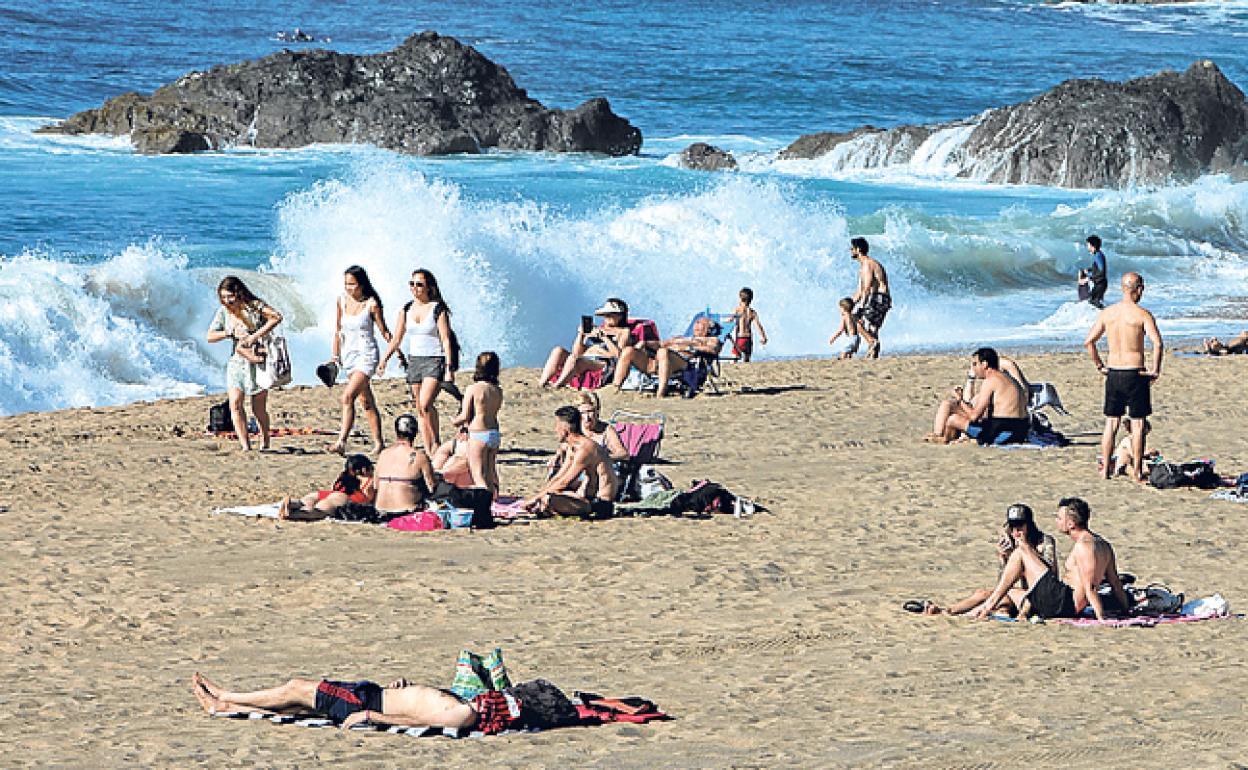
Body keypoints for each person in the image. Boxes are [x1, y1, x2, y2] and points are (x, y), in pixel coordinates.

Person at [975, 497, 1130, 621]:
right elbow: (1115, 582)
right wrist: (1126, 610)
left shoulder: (1084, 546)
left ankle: (987, 608)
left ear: (1070, 524)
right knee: (1012, 591)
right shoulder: (1103, 544)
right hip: (1064, 600)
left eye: (1059, 518)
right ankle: (974, 608)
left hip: (1064, 603)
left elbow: (1090, 587)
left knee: (1022, 550)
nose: (1056, 521)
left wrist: (1101, 617)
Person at [191, 672, 478, 731]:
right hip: (372, 694)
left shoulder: (461, 714)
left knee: (296, 688)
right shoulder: (461, 702)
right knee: (296, 707)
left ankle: (227, 696)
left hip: (364, 703)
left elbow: (416, 720)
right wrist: (404, 687)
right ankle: (226, 706)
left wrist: (370, 717)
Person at [1084, 271, 1163, 481]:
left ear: (1122, 288)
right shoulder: (1142, 314)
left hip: (1114, 372)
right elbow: (1157, 343)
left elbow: (1089, 342)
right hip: (1135, 372)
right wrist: (1155, 369)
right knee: (1137, 424)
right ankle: (1137, 470)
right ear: (1138, 290)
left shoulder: (1108, 313)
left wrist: (1099, 365)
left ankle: (1104, 469)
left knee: (1111, 423)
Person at [916, 504, 1059, 617]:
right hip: (1018, 594)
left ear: (1029, 525)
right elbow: (1002, 584)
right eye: (1012, 527)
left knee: (997, 601)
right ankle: (948, 611)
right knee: (983, 594)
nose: (1016, 532)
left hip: (1037, 597)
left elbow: (1050, 577)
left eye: (1020, 526)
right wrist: (1004, 558)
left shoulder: (1044, 542)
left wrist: (1025, 549)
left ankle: (958, 613)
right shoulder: (1012, 542)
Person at [379, 269, 458, 453]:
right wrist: (384, 359)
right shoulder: (406, 309)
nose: (415, 288)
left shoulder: (437, 309)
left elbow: (446, 339)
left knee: (425, 403)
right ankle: (430, 445)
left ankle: (436, 440)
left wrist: (449, 367)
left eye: (419, 284)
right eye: (412, 284)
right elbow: (396, 338)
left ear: (429, 287)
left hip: (434, 359)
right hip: (414, 360)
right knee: (420, 408)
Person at [206, 276, 284, 452]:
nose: (227, 301)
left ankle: (265, 439)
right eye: (223, 297)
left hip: (258, 361)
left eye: (230, 296)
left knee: (259, 409)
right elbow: (210, 336)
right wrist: (228, 332)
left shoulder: (255, 306)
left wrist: (254, 336)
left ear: (239, 293)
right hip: (237, 362)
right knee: (235, 403)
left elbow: (277, 317)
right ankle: (245, 446)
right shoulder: (224, 312)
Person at [329, 266, 392, 455]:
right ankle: (379, 442)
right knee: (366, 400)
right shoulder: (341, 300)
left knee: (347, 397)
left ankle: (341, 442)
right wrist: (335, 356)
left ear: (361, 284)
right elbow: (338, 331)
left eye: (352, 284)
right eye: (346, 284)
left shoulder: (371, 304)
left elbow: (384, 331)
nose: (348, 288)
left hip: (367, 355)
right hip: (349, 355)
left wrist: (394, 353)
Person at [524, 406, 619, 518]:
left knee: (549, 499)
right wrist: (537, 496)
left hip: (600, 503)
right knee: (548, 497)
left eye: (557, 426)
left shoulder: (585, 449)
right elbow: (559, 477)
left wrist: (535, 499)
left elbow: (565, 482)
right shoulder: (572, 447)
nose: (555, 430)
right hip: (585, 497)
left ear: (565, 429)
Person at [927, 348, 1029, 445]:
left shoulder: (990, 381)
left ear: (984, 364)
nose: (973, 369)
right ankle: (945, 436)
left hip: (1004, 433)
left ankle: (945, 439)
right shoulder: (1008, 379)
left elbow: (974, 417)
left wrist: (960, 400)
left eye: (975, 364)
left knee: (953, 420)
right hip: (1021, 430)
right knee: (957, 413)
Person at [540, 298, 634, 389]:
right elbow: (577, 352)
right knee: (558, 351)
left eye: (610, 314)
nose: (607, 317)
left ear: (620, 316)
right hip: (585, 357)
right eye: (605, 315)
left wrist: (604, 338)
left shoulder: (623, 332)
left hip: (603, 362)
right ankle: (542, 383)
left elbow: (619, 356)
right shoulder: (597, 329)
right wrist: (581, 335)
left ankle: (557, 386)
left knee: (574, 359)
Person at [451, 352, 504, 498]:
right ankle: (494, 498)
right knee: (490, 471)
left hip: (478, 433)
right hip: (494, 432)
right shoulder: (497, 390)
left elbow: (465, 416)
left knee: (478, 475)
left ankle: (484, 506)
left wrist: (454, 421)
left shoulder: (473, 388)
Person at [373, 414, 437, 516]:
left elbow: (376, 486)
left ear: (396, 432)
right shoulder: (420, 457)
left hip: (379, 510)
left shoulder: (383, 454)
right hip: (406, 511)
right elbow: (432, 487)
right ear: (415, 433)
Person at [278, 454, 375, 521]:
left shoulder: (344, 477)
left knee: (301, 502)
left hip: (326, 494)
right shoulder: (368, 481)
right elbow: (370, 500)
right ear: (364, 469)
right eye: (372, 468)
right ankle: (292, 515)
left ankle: (290, 503)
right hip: (343, 499)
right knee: (318, 512)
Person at [651, 316, 724, 398]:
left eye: (701, 323)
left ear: (709, 329)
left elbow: (713, 349)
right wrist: (644, 343)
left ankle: (660, 394)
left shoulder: (711, 340)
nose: (696, 325)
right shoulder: (682, 338)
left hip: (687, 366)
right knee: (634, 351)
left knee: (663, 352)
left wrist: (686, 348)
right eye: (696, 322)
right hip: (663, 360)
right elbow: (660, 344)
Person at [849, 237, 891, 358]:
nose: (851, 251)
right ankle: (873, 354)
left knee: (857, 321)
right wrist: (849, 304)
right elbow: (860, 291)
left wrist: (860, 307)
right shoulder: (863, 266)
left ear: (858, 249)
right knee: (872, 328)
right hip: (881, 298)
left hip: (879, 298)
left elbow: (866, 289)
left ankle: (872, 342)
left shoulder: (868, 264)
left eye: (852, 249)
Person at [576, 392, 628, 462]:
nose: (587, 417)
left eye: (590, 411)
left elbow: (623, 453)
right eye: (582, 413)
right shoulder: (575, 428)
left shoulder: (606, 430)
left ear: (597, 411)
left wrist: (601, 458)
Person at [728, 287, 768, 362]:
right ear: (751, 299)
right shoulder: (752, 312)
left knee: (734, 358)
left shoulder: (738, 310)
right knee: (746, 360)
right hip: (748, 340)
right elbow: (759, 326)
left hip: (740, 338)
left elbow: (730, 320)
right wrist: (763, 337)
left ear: (740, 298)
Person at [1078, 235, 1109, 309]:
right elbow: (1098, 268)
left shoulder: (1098, 256)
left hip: (1100, 284)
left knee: (1094, 302)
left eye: (1088, 245)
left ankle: (1106, 315)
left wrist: (1089, 278)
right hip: (1100, 283)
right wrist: (1088, 270)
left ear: (1093, 246)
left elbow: (1101, 271)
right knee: (1094, 302)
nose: (1087, 247)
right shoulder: (1098, 255)